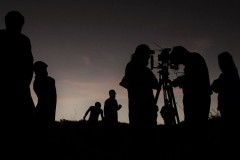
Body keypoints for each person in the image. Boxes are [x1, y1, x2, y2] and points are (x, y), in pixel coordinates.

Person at [0, 10, 35, 159]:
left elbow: (29, 63)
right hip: (8, 87)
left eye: (20, 24)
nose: (18, 26)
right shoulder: (4, 37)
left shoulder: (24, 40)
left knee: (25, 123)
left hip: (20, 87)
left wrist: (25, 83)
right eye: (16, 23)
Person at [169, 45, 212, 159]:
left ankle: (196, 153)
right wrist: (181, 80)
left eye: (177, 60)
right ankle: (195, 151)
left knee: (197, 129)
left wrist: (179, 81)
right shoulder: (193, 59)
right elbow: (191, 76)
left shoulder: (194, 58)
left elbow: (193, 78)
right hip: (196, 98)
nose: (179, 64)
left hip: (197, 99)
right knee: (196, 128)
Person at [119, 44, 159, 159]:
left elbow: (155, 85)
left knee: (148, 139)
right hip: (139, 110)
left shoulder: (144, 70)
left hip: (148, 110)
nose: (148, 58)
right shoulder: (132, 67)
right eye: (146, 55)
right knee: (138, 140)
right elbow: (129, 83)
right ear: (140, 55)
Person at [211, 52, 240, 150]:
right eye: (219, 63)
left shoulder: (228, 74)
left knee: (229, 132)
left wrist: (215, 84)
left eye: (221, 62)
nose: (219, 65)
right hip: (227, 107)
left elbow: (217, 88)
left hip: (229, 107)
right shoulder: (231, 73)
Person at [33, 61, 57, 127]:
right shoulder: (38, 82)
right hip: (42, 112)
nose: (46, 72)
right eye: (44, 69)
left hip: (47, 112)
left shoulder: (46, 81)